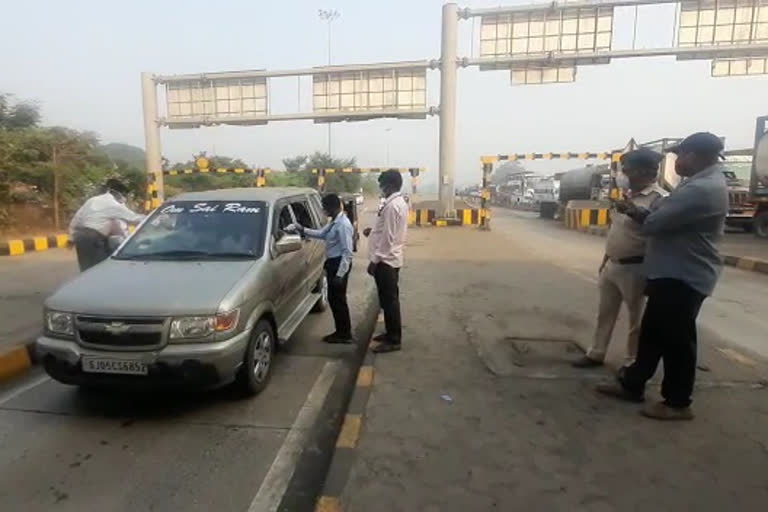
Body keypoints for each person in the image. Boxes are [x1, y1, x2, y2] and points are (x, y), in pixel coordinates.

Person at [597, 132, 729, 421]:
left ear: (694, 156)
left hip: (684, 274)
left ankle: (678, 402)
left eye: (680, 155)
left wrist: (639, 215)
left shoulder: (702, 189)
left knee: (677, 341)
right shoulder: (696, 183)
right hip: (670, 271)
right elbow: (657, 219)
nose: (677, 161)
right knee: (653, 333)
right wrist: (638, 212)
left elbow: (655, 223)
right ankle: (633, 384)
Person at [573, 149, 667, 369]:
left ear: (645, 171)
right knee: (604, 313)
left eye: (628, 169)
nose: (623, 174)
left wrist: (637, 213)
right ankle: (596, 353)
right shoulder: (627, 195)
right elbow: (617, 231)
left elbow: (659, 230)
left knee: (637, 320)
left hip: (636, 267)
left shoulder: (659, 199)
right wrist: (605, 259)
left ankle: (631, 363)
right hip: (612, 264)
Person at [290, 194, 355, 344]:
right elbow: (322, 234)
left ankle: (344, 334)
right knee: (334, 300)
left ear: (333, 207)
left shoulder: (343, 225)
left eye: (325, 208)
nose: (324, 211)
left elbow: (347, 252)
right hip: (333, 262)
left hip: (339, 265)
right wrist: (302, 229)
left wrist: (340, 275)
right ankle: (342, 331)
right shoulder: (334, 222)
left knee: (338, 301)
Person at [368, 170, 408, 354]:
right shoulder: (396, 203)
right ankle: (390, 333)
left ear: (390, 185)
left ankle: (394, 339)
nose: (381, 189)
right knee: (387, 299)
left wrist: (374, 261)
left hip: (386, 261)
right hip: (390, 258)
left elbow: (388, 238)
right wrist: (373, 232)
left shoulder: (393, 206)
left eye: (382, 185)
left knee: (390, 301)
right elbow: (386, 231)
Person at [68, 178, 145, 271]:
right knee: (99, 269)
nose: (124, 198)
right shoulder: (113, 205)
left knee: (86, 271)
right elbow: (134, 218)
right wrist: (153, 217)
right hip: (94, 239)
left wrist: (71, 238)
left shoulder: (92, 200)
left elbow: (76, 219)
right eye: (123, 195)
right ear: (116, 193)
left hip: (80, 238)